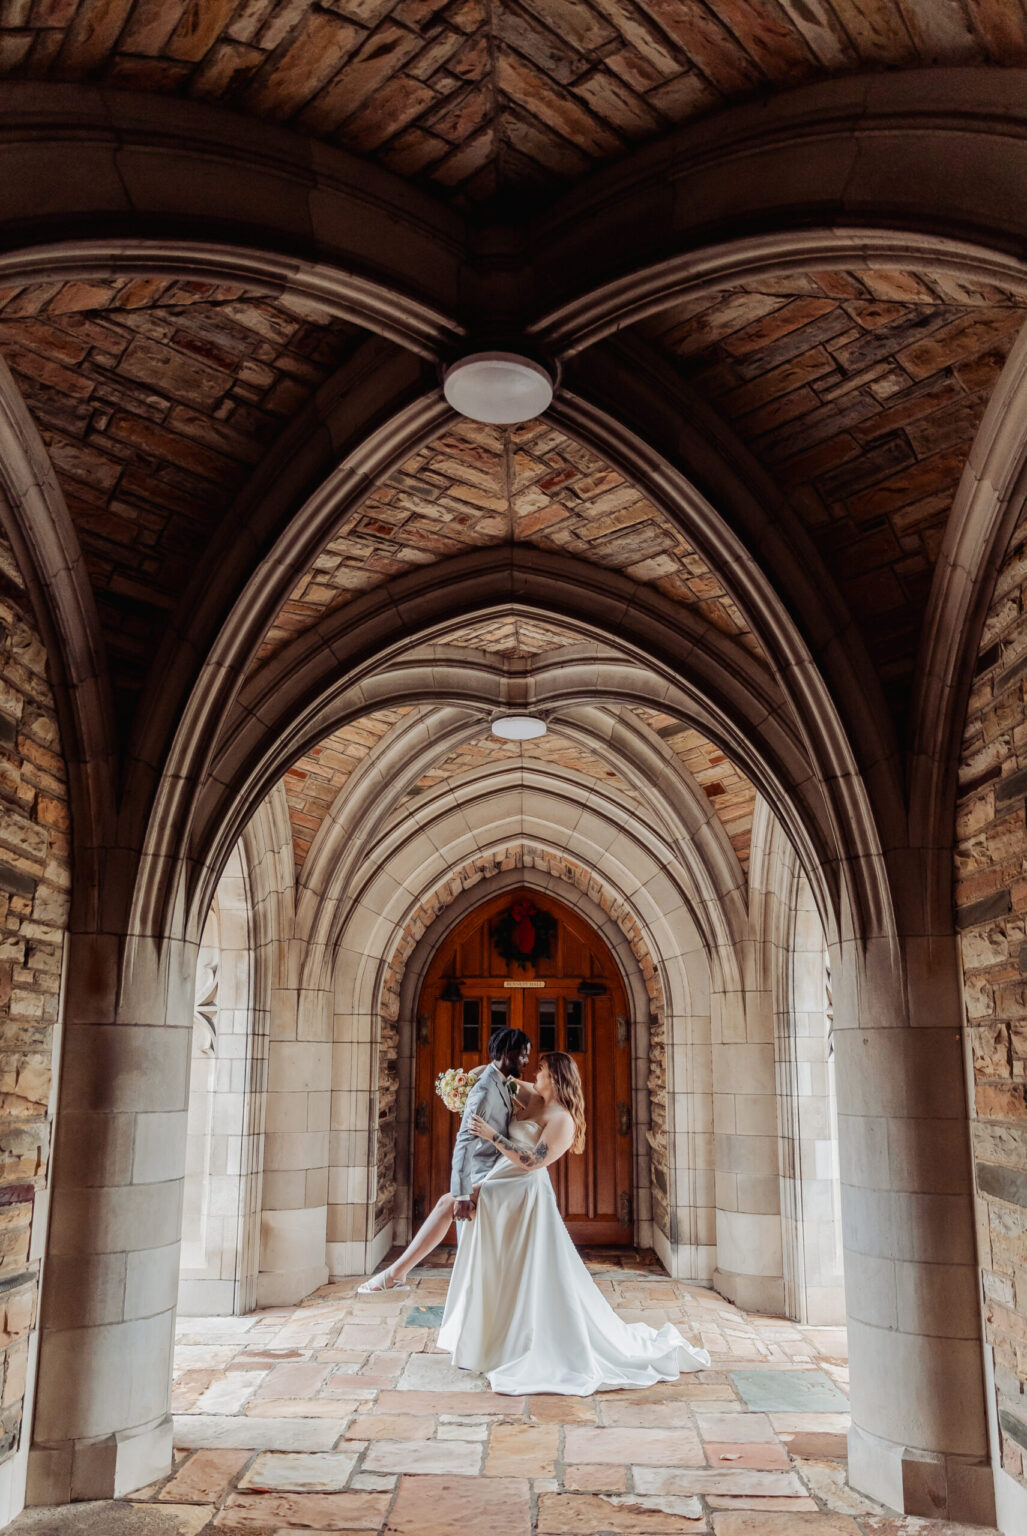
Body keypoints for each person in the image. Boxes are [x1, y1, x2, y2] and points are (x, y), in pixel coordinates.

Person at [437, 1051, 711, 1394]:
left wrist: (493, 1136)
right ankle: (490, 1339)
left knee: (532, 1270)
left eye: (541, 1069)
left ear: (556, 1077)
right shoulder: (531, 1098)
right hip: (502, 1186)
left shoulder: (563, 1120)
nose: (534, 1072)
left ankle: (525, 1345)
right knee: (502, 1264)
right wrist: (465, 1081)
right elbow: (491, 1075)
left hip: (527, 1194)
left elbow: (532, 1161)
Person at [356, 1027, 532, 1293]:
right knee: (461, 1227)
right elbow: (464, 1143)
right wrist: (461, 1195)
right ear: (508, 1053)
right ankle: (399, 1276)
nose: (526, 1061)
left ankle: (397, 1275)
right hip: (482, 1175)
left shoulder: (502, 1083)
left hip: (501, 1172)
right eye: (523, 1055)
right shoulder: (484, 1090)